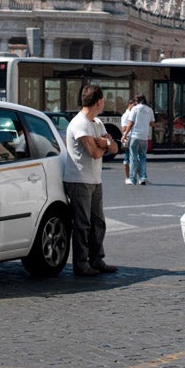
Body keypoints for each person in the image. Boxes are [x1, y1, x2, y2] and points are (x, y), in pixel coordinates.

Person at [63, 84, 118, 277]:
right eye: (103, 100)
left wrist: (105, 143)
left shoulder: (97, 123)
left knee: (98, 222)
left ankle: (97, 259)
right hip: (79, 180)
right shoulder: (80, 123)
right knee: (82, 224)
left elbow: (115, 149)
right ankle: (81, 263)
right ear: (99, 101)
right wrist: (103, 144)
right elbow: (94, 153)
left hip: (95, 180)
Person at [123, 94, 155, 185]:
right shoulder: (149, 110)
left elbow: (130, 123)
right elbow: (152, 123)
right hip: (144, 137)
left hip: (134, 136)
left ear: (137, 101)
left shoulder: (135, 109)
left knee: (133, 157)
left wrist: (125, 135)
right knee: (143, 157)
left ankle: (133, 179)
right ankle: (143, 178)